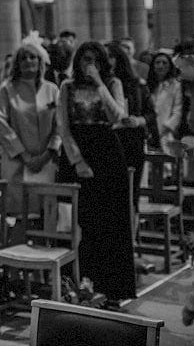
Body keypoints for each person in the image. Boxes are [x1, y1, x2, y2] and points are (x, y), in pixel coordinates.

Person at [57, 41, 136, 305]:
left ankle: (112, 285)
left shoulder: (112, 84)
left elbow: (118, 117)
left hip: (107, 153)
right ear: (77, 61)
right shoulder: (67, 87)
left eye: (95, 60)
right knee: (86, 221)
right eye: (85, 59)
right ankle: (84, 280)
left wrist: (100, 83)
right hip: (79, 153)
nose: (89, 64)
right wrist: (77, 161)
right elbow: (64, 128)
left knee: (111, 221)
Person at [0, 44, 62, 215]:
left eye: (32, 57)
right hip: (17, 160)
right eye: (23, 58)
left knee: (46, 210)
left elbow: (60, 124)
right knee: (19, 212)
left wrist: (47, 154)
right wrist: (25, 156)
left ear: (41, 62)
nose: (28, 61)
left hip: (47, 161)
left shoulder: (52, 90)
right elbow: (1, 124)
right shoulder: (7, 89)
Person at [106, 41, 154, 213]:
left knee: (130, 192)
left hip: (131, 139)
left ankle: (130, 236)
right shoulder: (99, 86)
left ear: (119, 59)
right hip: (108, 140)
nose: (107, 60)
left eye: (110, 56)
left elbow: (150, 114)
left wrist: (138, 121)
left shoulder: (136, 85)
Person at [147, 50, 182, 153]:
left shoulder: (176, 86)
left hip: (167, 133)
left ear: (170, 66)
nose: (160, 66)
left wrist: (165, 129)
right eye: (157, 62)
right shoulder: (147, 85)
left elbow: (178, 111)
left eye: (164, 63)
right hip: (149, 133)